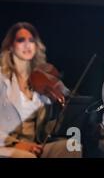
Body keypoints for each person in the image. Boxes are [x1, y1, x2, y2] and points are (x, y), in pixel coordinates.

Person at [0, 22, 81, 158]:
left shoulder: (41, 79)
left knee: (71, 147)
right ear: (10, 46)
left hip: (34, 145)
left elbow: (46, 130)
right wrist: (17, 144)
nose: (27, 44)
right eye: (21, 40)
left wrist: (60, 108)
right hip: (5, 145)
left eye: (31, 40)